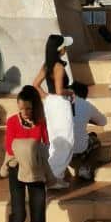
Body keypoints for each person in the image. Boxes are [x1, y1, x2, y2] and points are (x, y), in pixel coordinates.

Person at [2, 85, 50, 222]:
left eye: (28, 108)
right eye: (21, 108)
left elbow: (45, 142)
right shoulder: (13, 121)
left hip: (36, 168)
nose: (25, 112)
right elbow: (8, 147)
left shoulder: (40, 122)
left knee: (38, 208)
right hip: (17, 167)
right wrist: (28, 149)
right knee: (19, 209)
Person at [34, 35, 75, 188]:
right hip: (60, 105)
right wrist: (70, 92)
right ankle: (54, 177)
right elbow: (59, 90)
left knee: (55, 140)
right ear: (60, 49)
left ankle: (53, 176)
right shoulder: (59, 67)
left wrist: (46, 97)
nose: (66, 48)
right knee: (66, 141)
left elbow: (35, 84)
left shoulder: (47, 65)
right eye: (65, 46)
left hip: (51, 104)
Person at [70, 80, 108, 182]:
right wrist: (88, 118)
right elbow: (103, 122)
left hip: (58, 148)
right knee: (95, 141)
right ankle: (86, 168)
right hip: (77, 149)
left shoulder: (60, 103)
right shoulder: (86, 105)